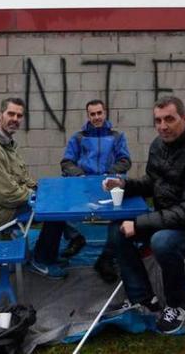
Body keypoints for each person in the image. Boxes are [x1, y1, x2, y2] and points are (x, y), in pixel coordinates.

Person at [102, 96, 185, 334]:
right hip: (167, 216)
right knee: (117, 229)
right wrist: (124, 185)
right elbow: (153, 182)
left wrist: (139, 223)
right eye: (158, 120)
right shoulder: (159, 144)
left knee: (162, 241)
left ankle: (179, 303)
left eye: (169, 119)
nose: (163, 126)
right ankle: (143, 297)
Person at [0, 97, 68, 279]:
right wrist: (35, 196)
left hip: (8, 202)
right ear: (0, 115)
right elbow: (6, 195)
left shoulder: (5, 143)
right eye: (11, 114)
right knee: (54, 212)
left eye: (19, 115)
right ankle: (41, 261)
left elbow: (22, 177)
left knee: (55, 203)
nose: (15, 119)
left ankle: (50, 251)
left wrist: (39, 190)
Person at [60, 99, 132, 282]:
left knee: (124, 215)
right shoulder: (78, 137)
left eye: (99, 113)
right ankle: (75, 237)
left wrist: (110, 174)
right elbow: (67, 162)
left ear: (105, 113)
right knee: (61, 203)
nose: (97, 117)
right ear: (88, 115)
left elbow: (125, 161)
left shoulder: (117, 136)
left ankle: (106, 258)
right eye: (93, 114)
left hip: (109, 185)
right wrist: (79, 175)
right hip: (84, 185)